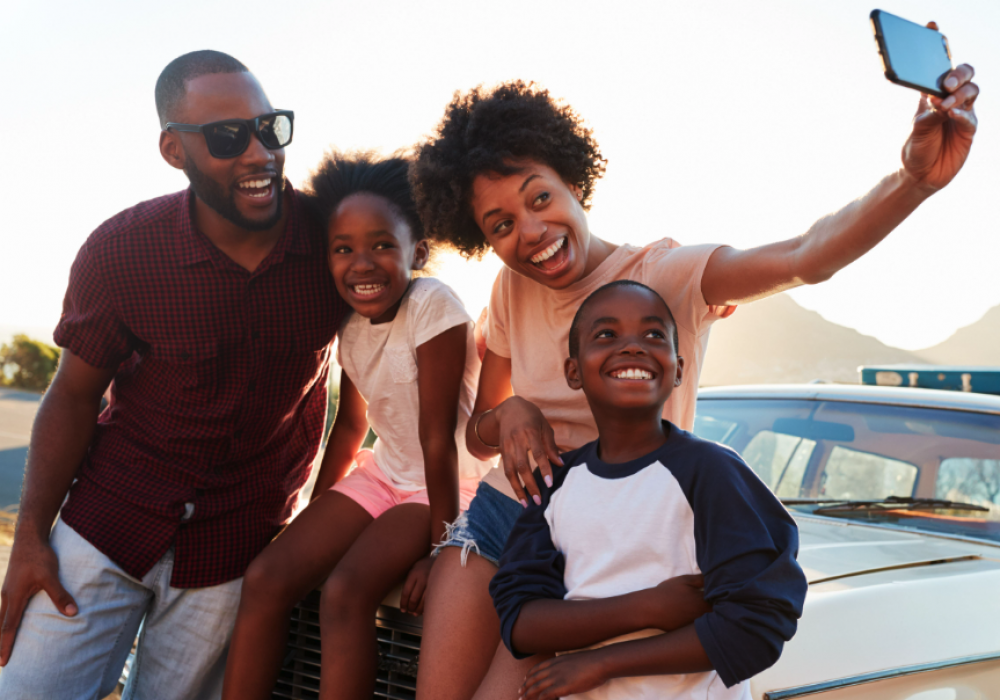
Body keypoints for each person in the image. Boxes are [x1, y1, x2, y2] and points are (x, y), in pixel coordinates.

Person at [408, 68, 978, 699]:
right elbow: (481, 434)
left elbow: (807, 255)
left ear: (573, 181)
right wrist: (511, 410)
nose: (530, 232)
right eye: (501, 225)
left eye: (539, 198)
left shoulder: (665, 275)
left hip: (599, 545)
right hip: (500, 518)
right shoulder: (511, 288)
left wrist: (915, 181)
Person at [0, 51, 346, 700]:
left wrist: (315, 523)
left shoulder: (334, 244)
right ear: (173, 150)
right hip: (108, 518)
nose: (258, 154)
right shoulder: (122, 250)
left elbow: (366, 387)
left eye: (269, 129)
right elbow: (72, 397)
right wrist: (29, 543)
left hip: (236, 540)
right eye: (226, 137)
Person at [221, 151, 495, 700]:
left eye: (381, 246)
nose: (361, 263)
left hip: (444, 486)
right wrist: (314, 515)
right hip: (384, 474)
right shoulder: (349, 324)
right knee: (266, 579)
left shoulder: (433, 305)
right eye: (343, 249)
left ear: (415, 251)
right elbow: (349, 427)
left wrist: (442, 551)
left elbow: (437, 437)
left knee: (345, 592)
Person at [490, 280, 807, 700]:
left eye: (653, 334)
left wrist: (600, 662)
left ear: (678, 369)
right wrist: (646, 608)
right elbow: (520, 620)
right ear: (573, 371)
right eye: (606, 335)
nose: (633, 346)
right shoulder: (557, 483)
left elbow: (757, 626)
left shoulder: (711, 472)